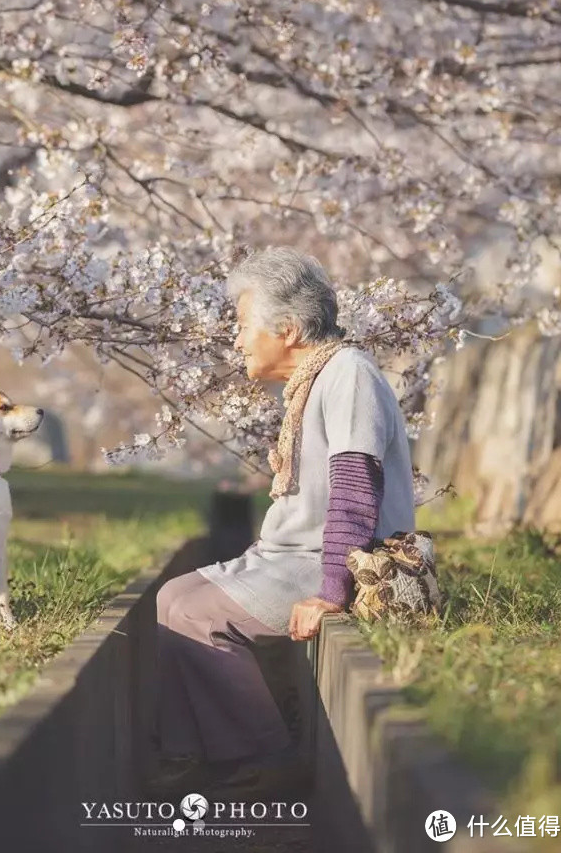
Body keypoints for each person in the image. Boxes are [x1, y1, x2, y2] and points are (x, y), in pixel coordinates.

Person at [151, 247, 415, 796]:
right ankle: (192, 753)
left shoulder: (349, 373)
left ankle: (267, 757)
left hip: (328, 560)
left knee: (197, 615)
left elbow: (354, 484)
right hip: (285, 556)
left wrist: (332, 591)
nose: (237, 340)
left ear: (289, 329)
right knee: (172, 597)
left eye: (245, 325)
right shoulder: (314, 380)